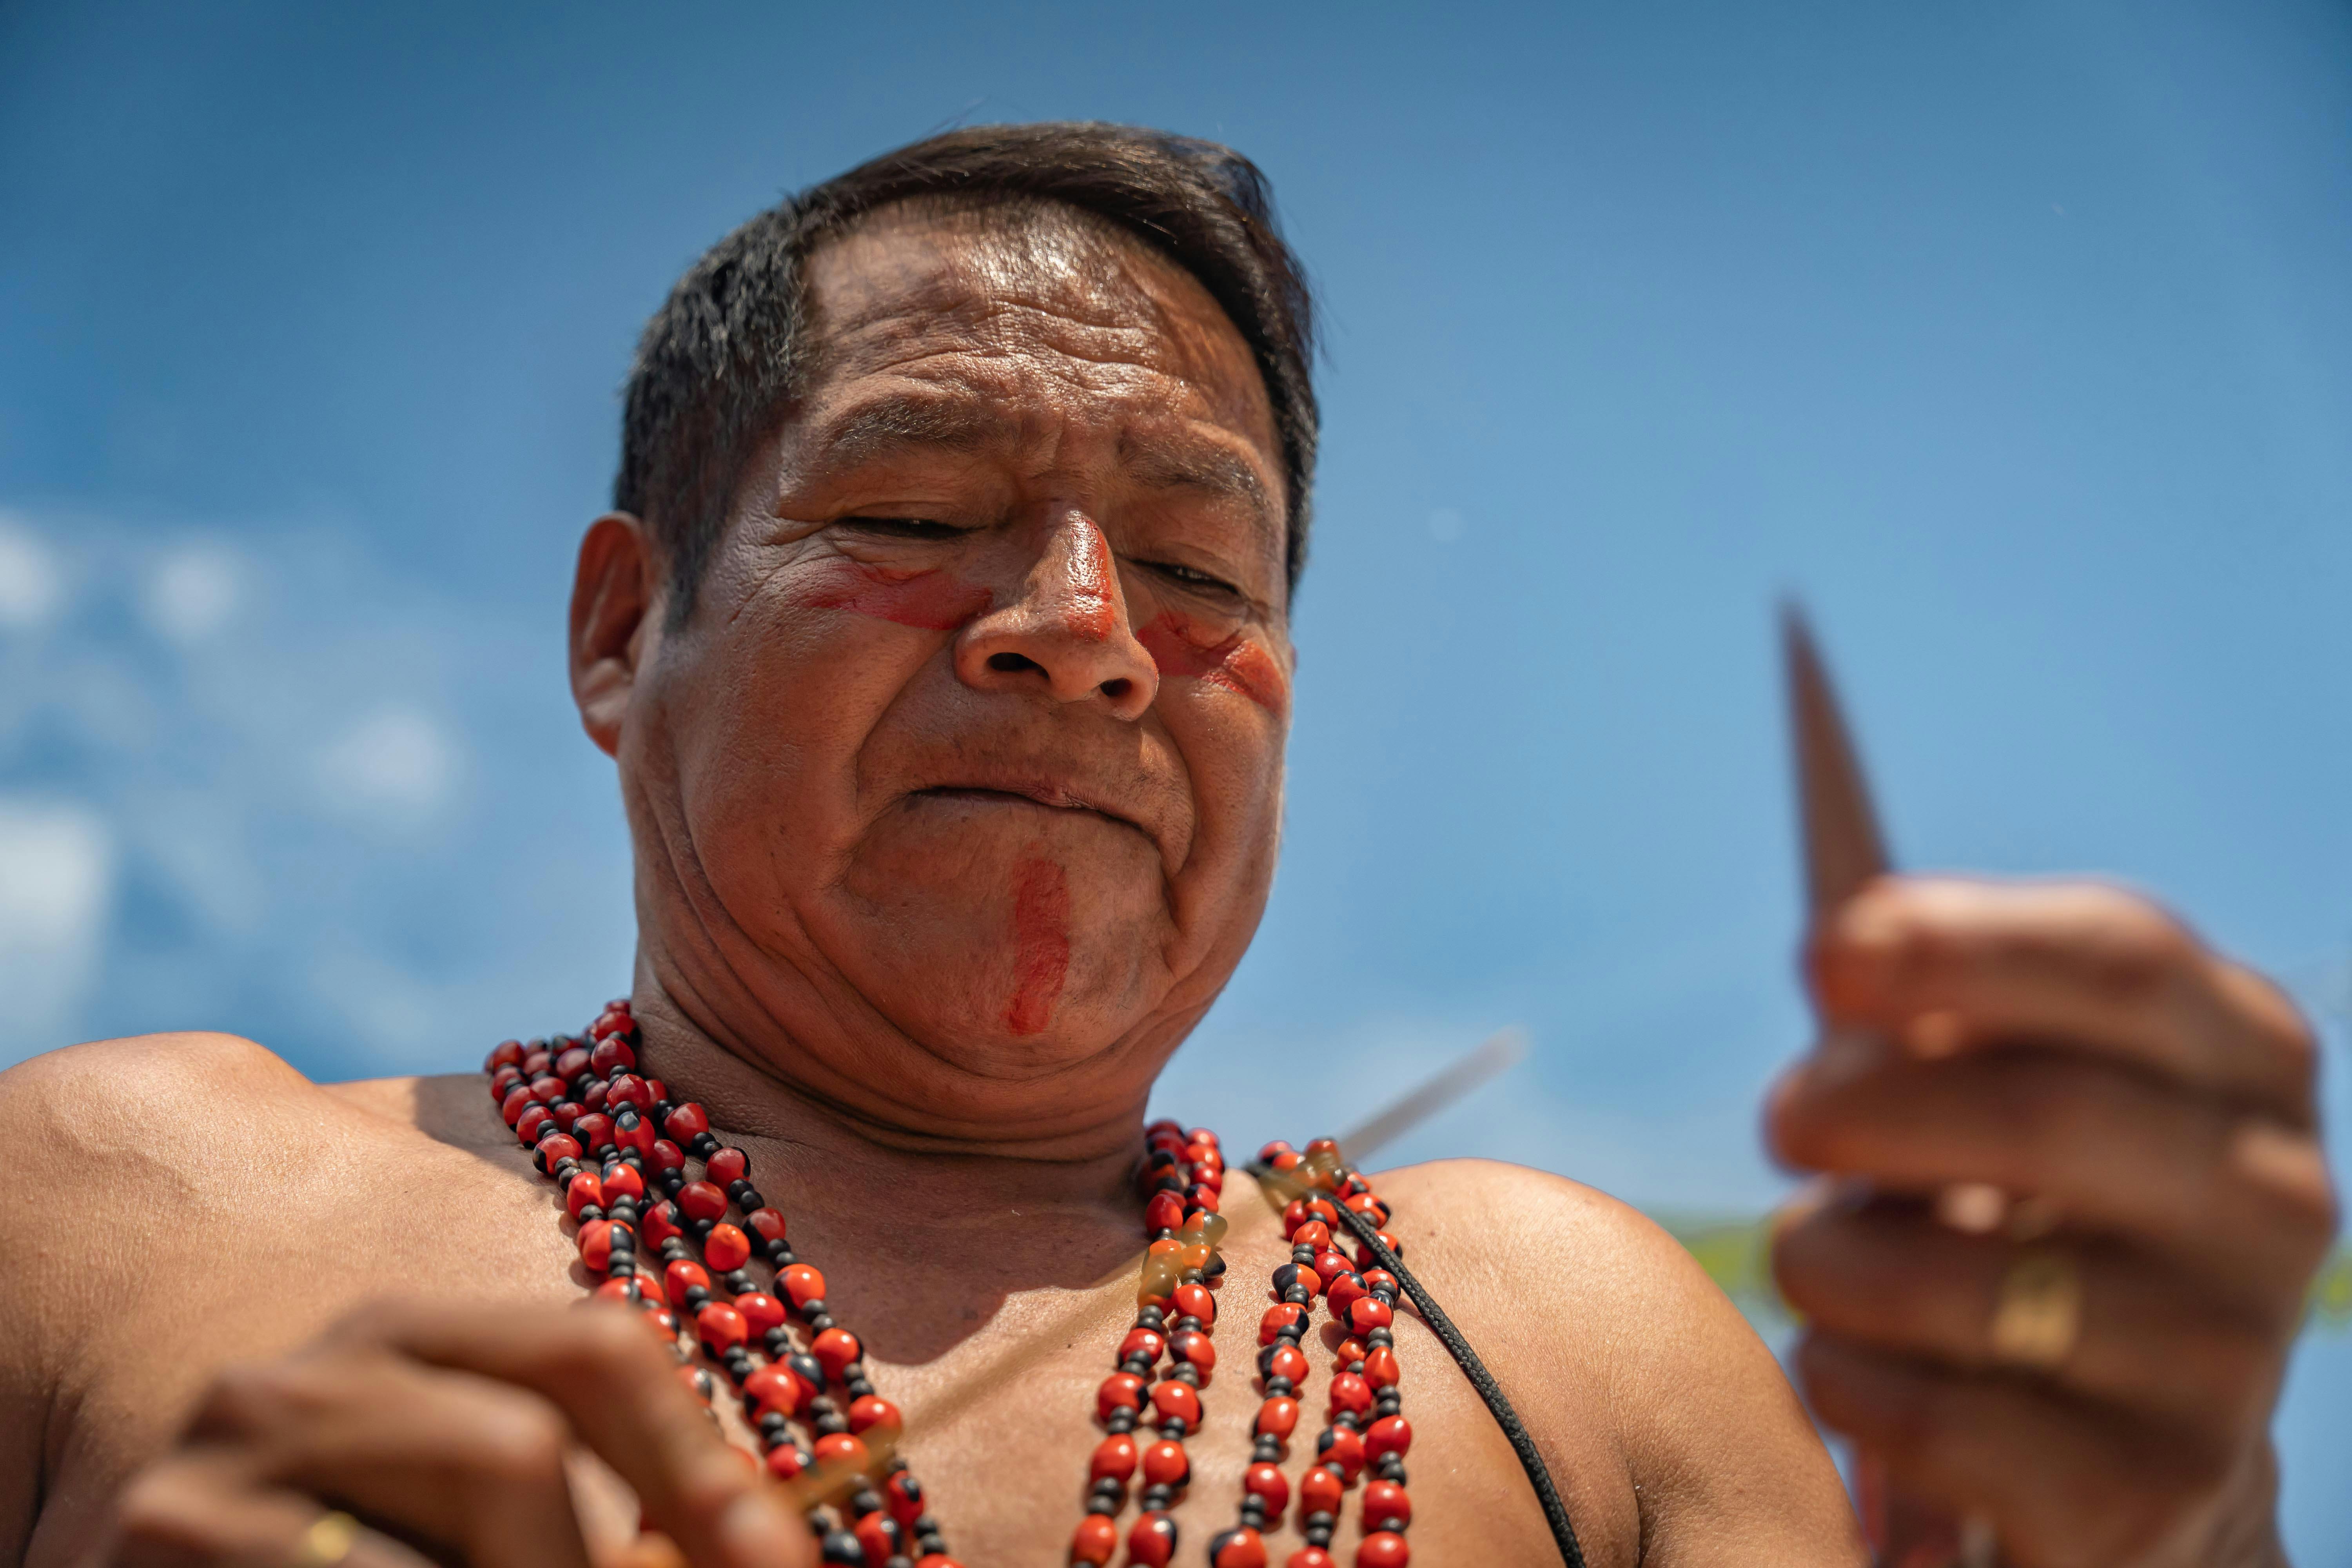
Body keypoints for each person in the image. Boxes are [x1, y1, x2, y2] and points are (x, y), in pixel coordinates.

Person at [0, 123, 2330, 1568]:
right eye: (917, 513)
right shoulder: (125, 1212)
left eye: (1208, 575)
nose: (1088, 635)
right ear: (626, 635)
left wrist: (2173, 1530)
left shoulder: (1560, 1335)